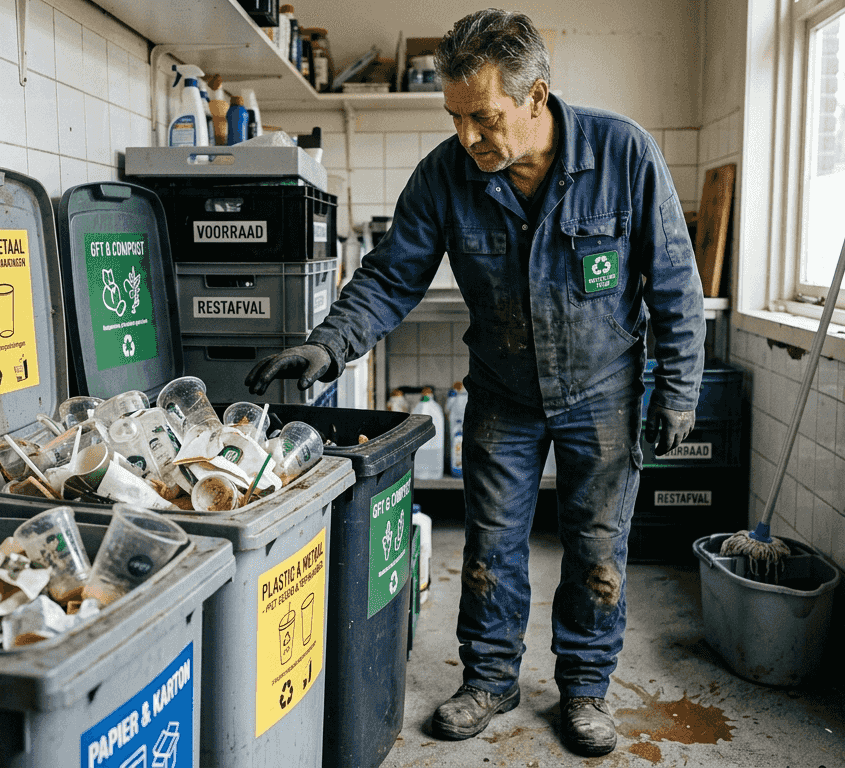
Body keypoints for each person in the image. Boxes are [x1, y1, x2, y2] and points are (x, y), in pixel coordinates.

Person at [245, 9, 704, 757]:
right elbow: (391, 277)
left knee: (596, 549)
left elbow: (676, 283)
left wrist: (678, 389)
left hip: (605, 395)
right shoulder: (445, 176)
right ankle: (489, 679)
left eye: (483, 118)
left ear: (536, 97)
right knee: (491, 547)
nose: (467, 138)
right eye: (456, 118)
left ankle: (586, 689)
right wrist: (327, 347)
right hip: (503, 396)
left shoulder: (624, 153)